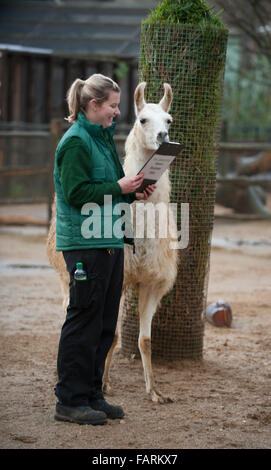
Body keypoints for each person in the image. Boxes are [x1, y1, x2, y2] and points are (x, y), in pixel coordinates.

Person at [53, 73, 155, 425]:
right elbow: (76, 194)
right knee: (83, 320)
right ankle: (69, 399)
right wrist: (118, 185)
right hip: (85, 244)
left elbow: (107, 187)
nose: (117, 111)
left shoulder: (101, 137)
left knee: (103, 323)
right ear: (93, 105)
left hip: (109, 241)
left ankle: (93, 394)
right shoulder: (76, 142)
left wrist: (132, 191)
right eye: (112, 105)